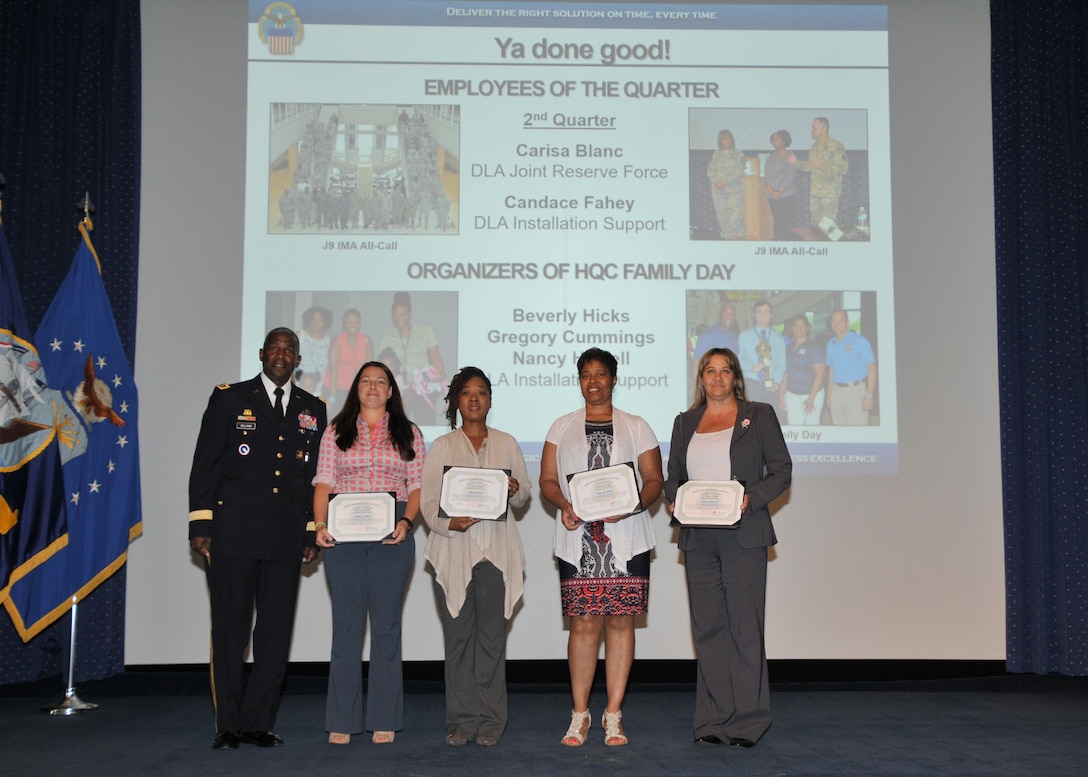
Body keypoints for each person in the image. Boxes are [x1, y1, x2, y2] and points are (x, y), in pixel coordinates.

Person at [188, 327, 327, 750]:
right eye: (275, 349)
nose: (282, 356)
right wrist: (201, 524)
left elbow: (311, 479)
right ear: (262, 353)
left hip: (285, 538)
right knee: (230, 631)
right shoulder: (230, 397)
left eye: (290, 351)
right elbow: (206, 463)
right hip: (232, 535)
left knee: (274, 634)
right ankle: (228, 724)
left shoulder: (312, 408)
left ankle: (258, 723)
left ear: (298, 361)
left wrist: (309, 530)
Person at [664, 347, 792, 748]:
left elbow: (782, 471)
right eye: (709, 371)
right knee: (708, 630)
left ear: (735, 377)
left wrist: (749, 498)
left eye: (724, 371)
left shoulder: (760, 415)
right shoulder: (685, 422)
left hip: (743, 534)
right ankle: (713, 721)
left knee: (744, 628)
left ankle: (749, 722)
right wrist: (674, 499)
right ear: (700, 378)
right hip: (699, 538)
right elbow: (673, 477)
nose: (716, 377)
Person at [538, 348, 664, 748]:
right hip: (579, 539)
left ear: (614, 379)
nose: (593, 381)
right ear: (580, 381)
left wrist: (631, 506)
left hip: (627, 538)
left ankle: (613, 714)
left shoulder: (636, 426)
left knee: (621, 622)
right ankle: (580, 715)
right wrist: (564, 506)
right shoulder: (561, 427)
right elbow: (547, 481)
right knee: (584, 623)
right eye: (586, 375)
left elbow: (653, 480)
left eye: (601, 374)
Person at [312, 360, 425, 746]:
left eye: (381, 381)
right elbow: (324, 483)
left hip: (392, 529)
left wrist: (406, 522)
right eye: (366, 381)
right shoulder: (335, 430)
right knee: (346, 626)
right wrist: (320, 524)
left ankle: (384, 717)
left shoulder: (408, 432)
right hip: (342, 529)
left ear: (392, 391)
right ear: (356, 388)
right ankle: (342, 718)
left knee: (387, 626)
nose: (373, 386)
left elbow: (416, 487)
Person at [420, 367, 532, 747]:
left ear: (489, 400)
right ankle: (462, 720)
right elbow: (429, 502)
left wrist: (514, 488)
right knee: (458, 642)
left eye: (481, 392)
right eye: (466, 393)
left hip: (496, 553)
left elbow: (523, 495)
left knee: (491, 641)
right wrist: (450, 523)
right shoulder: (442, 447)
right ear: (456, 401)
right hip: (454, 550)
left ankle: (490, 721)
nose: (474, 399)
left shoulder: (506, 443)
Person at [378, 291, 446, 425]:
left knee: (425, 423)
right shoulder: (388, 338)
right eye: (396, 315)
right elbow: (383, 367)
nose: (399, 318)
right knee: (398, 427)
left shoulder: (425, 331)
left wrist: (441, 374)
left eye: (403, 314)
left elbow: (435, 356)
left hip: (422, 387)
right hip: (400, 389)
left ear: (410, 314)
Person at [788, 117, 849, 227]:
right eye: (812, 128)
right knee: (816, 227)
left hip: (829, 195)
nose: (812, 130)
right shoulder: (814, 146)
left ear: (824, 129)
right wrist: (796, 162)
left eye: (814, 128)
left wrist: (823, 166)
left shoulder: (836, 146)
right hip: (815, 194)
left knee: (828, 228)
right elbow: (809, 166)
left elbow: (843, 169)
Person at [824, 309, 877, 425]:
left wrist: (869, 394)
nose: (837, 324)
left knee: (856, 432)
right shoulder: (830, 344)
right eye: (834, 321)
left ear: (847, 322)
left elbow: (872, 367)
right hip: (836, 391)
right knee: (839, 430)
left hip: (856, 391)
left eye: (841, 320)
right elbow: (831, 369)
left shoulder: (860, 341)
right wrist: (829, 394)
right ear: (831, 324)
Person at [737, 300, 785, 405]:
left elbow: (781, 363)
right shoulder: (744, 337)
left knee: (770, 419)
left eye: (766, 311)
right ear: (754, 314)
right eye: (759, 311)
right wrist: (751, 367)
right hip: (751, 385)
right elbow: (737, 360)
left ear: (771, 315)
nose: (763, 314)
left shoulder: (779, 339)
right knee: (751, 419)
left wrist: (777, 382)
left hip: (772, 386)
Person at [779, 315, 826, 425]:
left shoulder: (814, 347)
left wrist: (811, 398)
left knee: (812, 428)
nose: (798, 328)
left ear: (807, 328)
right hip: (792, 394)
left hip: (811, 395)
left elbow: (820, 374)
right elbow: (787, 371)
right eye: (796, 325)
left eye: (802, 325)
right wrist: (782, 393)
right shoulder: (788, 347)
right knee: (794, 428)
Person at [325, 308, 372, 415]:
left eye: (356, 322)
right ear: (344, 324)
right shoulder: (337, 341)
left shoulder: (366, 340)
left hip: (356, 388)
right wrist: (332, 397)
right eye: (349, 322)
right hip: (335, 387)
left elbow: (369, 369)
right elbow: (333, 371)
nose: (353, 325)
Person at [706, 129, 745, 240]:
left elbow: (739, 170)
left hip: (734, 190)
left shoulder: (738, 153)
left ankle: (740, 238)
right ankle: (727, 239)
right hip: (718, 191)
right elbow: (710, 170)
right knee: (722, 217)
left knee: (735, 217)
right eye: (724, 139)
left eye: (729, 138)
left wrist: (725, 182)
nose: (726, 141)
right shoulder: (716, 154)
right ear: (720, 141)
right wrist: (716, 181)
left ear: (732, 140)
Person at [763, 130, 799, 240]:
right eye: (773, 139)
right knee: (777, 222)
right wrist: (771, 190)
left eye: (777, 139)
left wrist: (779, 191)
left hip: (787, 195)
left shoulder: (790, 155)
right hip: (772, 196)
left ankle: (789, 245)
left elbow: (790, 175)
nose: (774, 141)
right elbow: (767, 174)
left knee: (787, 222)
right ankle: (778, 243)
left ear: (784, 141)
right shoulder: (771, 156)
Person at [297, 306, 332, 397]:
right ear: (308, 320)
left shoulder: (330, 341)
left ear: (326, 322)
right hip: (298, 388)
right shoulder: (299, 336)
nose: (317, 323)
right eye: (313, 319)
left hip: (319, 391)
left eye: (321, 319)